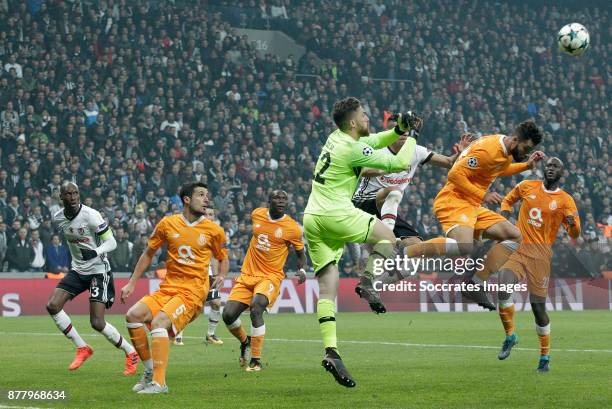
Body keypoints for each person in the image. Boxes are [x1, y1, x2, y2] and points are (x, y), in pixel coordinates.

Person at [302, 96, 422, 387]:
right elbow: (398, 162)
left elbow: (377, 140)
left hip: (312, 219)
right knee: (388, 238)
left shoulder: (336, 138)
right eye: (364, 115)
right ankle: (368, 279)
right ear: (354, 122)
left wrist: (397, 131)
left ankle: (331, 351)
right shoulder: (354, 149)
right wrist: (412, 137)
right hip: (336, 214)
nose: (369, 119)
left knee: (328, 287)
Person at [403, 121, 545, 310]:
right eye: (525, 148)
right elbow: (454, 174)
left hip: (472, 205)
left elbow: (500, 169)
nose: (526, 152)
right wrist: (484, 195)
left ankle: (475, 283)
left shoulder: (504, 150)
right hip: (454, 201)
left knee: (514, 235)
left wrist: (526, 166)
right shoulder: (488, 150)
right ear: (515, 140)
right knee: (464, 245)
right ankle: (406, 251)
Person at [122, 182, 228, 394]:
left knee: (159, 322)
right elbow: (148, 253)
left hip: (193, 292)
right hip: (168, 288)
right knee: (133, 316)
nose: (206, 199)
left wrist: (222, 275)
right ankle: (151, 371)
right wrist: (132, 281)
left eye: (207, 195)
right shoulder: (167, 224)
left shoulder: (213, 230)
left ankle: (160, 384)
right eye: (201, 195)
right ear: (187, 200)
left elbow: (222, 257)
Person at [352, 132, 474, 304]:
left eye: (407, 135)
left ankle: (375, 285)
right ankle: (382, 246)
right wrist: (391, 166)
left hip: (389, 209)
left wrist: (461, 153)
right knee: (393, 193)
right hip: (365, 202)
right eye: (399, 133)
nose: (403, 137)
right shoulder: (377, 149)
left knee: (417, 250)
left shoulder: (416, 151)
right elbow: (361, 170)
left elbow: (448, 162)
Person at [495, 157, 580, 372]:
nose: (550, 168)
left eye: (555, 166)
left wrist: (573, 226)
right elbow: (507, 200)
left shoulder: (565, 200)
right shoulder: (527, 186)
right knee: (502, 285)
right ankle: (510, 335)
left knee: (538, 308)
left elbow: (574, 233)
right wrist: (504, 218)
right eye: (549, 165)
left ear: (562, 172)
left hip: (541, 257)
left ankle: (544, 357)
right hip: (519, 249)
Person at [44, 182, 138, 374]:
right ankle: (82, 347)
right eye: (68, 194)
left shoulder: (91, 215)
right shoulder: (58, 218)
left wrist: (95, 252)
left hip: (98, 270)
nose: (73, 197)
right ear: (61, 197)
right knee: (52, 306)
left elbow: (111, 242)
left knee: (96, 322)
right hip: (78, 270)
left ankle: (131, 352)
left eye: (75, 193)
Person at [222, 190, 306, 371]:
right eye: (277, 198)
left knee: (256, 307)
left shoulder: (292, 228)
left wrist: (301, 269)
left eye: (284, 198)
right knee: (228, 315)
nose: (281, 201)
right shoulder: (257, 214)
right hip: (247, 274)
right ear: (269, 201)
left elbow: (300, 253)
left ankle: (256, 360)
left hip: (271, 276)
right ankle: (245, 342)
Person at [174, 206, 228, 346]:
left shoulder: (215, 232)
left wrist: (216, 274)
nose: (210, 216)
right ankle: (178, 333)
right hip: (191, 273)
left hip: (208, 273)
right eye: (208, 214)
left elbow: (216, 256)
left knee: (216, 303)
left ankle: (210, 334)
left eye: (212, 214)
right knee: (188, 305)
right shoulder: (192, 229)